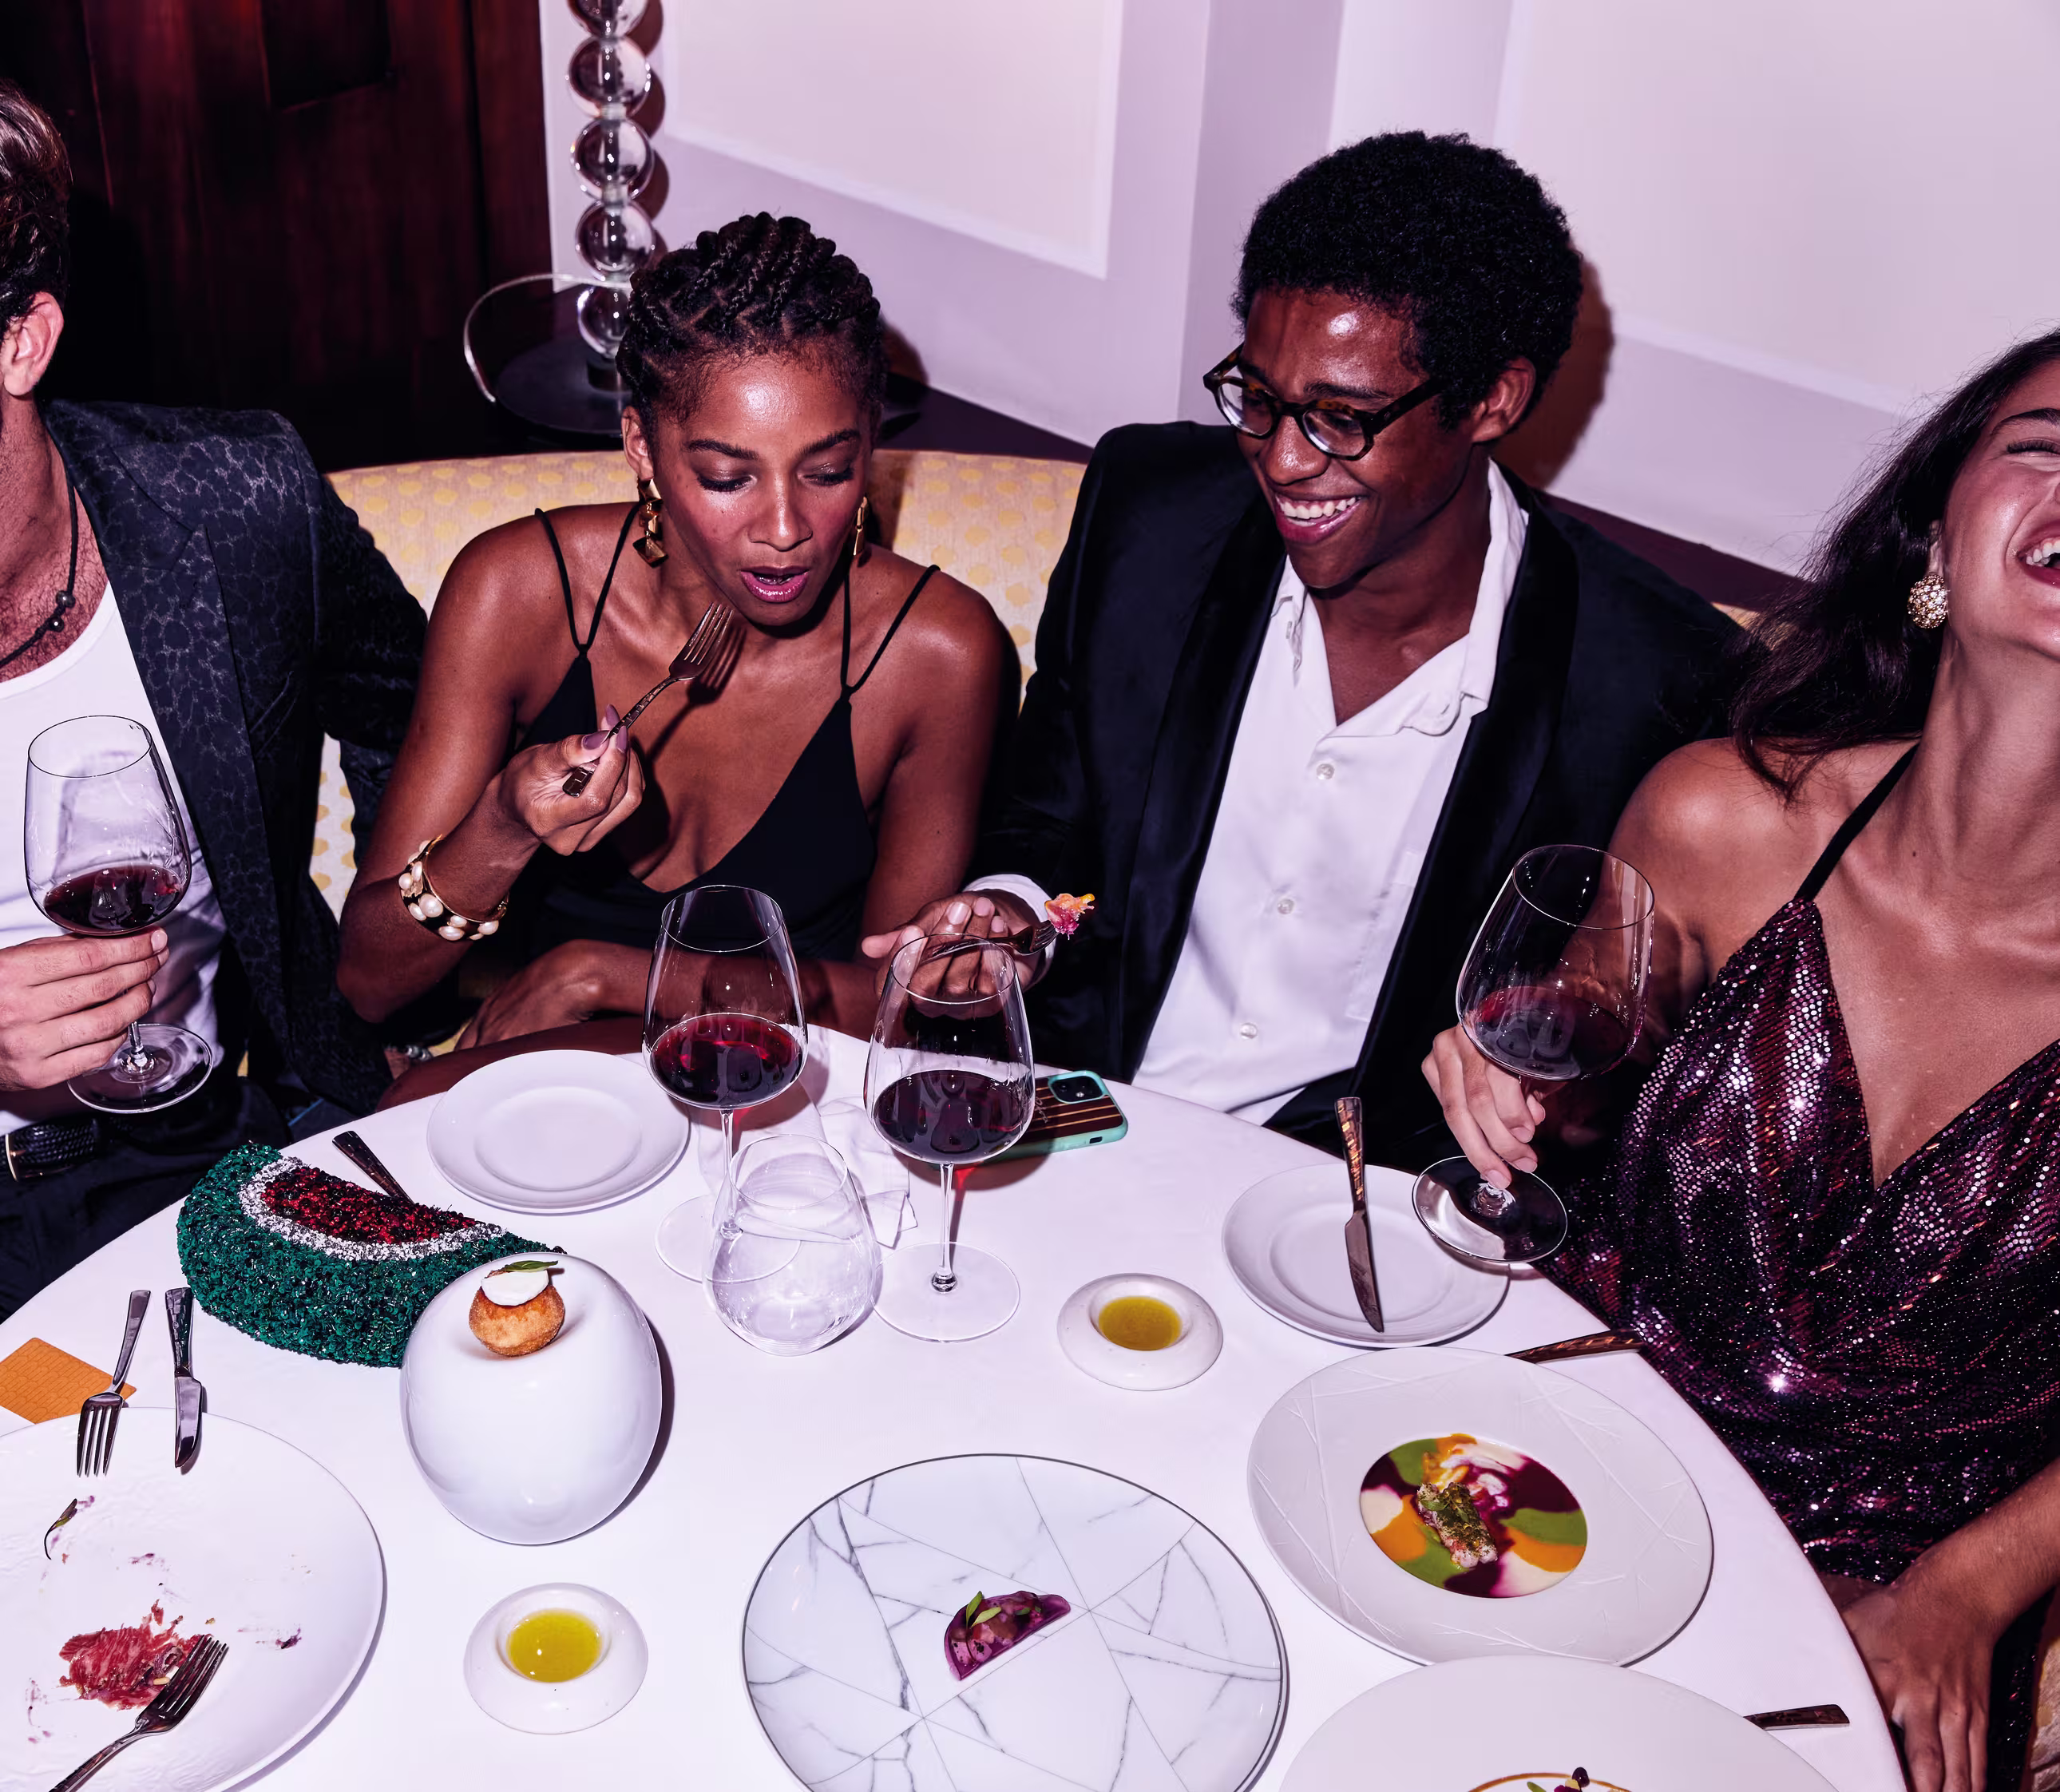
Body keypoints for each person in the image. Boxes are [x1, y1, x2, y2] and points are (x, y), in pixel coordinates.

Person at [1424, 331, 2060, 1792]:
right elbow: (1588, 1060)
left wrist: (1965, 1595)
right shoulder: (1722, 817)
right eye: (2043, 447)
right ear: (1936, 531)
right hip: (1573, 1461)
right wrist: (1524, 1082)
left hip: (1896, 1594)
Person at [865, 133, 1737, 1164]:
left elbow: (1627, 1032)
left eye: (1341, 418)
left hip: (1363, 1193)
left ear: (1493, 401)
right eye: (1261, 398)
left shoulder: (1653, 678)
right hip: (1082, 1123)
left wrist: (1563, 1072)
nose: (1281, 459)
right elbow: (1047, 817)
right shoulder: (1149, 517)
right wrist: (1012, 916)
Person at [337, 213, 1008, 1047]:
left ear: (871, 443)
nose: (786, 528)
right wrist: (501, 827)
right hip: (548, 1093)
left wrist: (602, 974)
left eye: (830, 471)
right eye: (727, 477)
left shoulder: (936, 653)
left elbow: (902, 1007)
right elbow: (367, 984)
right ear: (642, 447)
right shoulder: (517, 594)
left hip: (786, 1092)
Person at [0, 83, 426, 1316]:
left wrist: (393, 965)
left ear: (22, 339)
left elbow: (408, 706)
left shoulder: (235, 506)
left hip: (226, 1137)